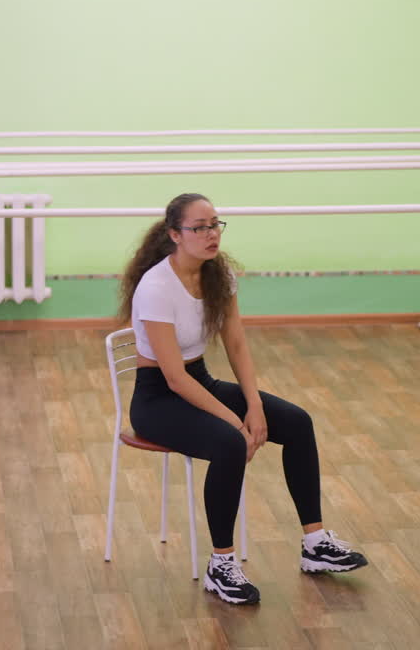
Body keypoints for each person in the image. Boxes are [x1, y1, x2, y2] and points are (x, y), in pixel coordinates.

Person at [119, 192, 368, 605]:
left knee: (297, 422)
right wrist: (236, 423)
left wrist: (253, 405)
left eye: (215, 224)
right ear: (174, 235)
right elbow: (175, 379)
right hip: (157, 400)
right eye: (199, 227)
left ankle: (316, 542)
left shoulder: (219, 275)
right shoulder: (156, 287)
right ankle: (221, 565)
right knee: (229, 442)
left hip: (200, 379)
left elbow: (236, 344)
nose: (211, 234)